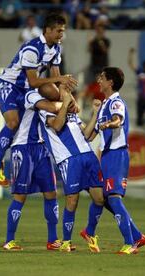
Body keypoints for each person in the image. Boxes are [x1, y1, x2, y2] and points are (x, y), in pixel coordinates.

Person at [0, 13, 78, 186]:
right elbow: (34, 81)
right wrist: (59, 80)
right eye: (59, 31)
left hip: (27, 89)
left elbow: (56, 78)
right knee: (13, 123)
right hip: (9, 85)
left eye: (63, 31)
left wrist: (68, 98)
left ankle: (0, 145)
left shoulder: (56, 49)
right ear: (48, 30)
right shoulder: (32, 48)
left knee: (55, 95)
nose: (62, 35)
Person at [87, 67, 145, 254]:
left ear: (110, 82)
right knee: (103, 198)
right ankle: (136, 236)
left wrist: (107, 123)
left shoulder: (116, 103)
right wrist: (95, 114)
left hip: (117, 155)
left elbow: (118, 121)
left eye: (102, 77)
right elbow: (89, 136)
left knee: (113, 198)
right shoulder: (105, 104)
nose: (99, 80)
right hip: (106, 156)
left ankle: (130, 243)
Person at [39, 86, 105, 253]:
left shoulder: (73, 114)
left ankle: (90, 233)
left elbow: (89, 135)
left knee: (100, 199)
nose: (69, 95)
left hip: (88, 157)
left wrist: (95, 114)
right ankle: (66, 241)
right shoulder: (46, 112)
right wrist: (66, 102)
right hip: (69, 160)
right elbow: (58, 126)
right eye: (65, 92)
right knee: (72, 201)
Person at [2, 90, 62, 251]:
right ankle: (9, 240)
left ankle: (53, 239)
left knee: (51, 193)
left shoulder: (41, 97)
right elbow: (52, 107)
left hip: (41, 149)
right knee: (20, 196)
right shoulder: (29, 94)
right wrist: (67, 101)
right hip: (22, 149)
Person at [128, 48, 145, 127]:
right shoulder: (140, 72)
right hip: (141, 99)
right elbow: (130, 64)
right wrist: (131, 54)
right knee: (139, 122)